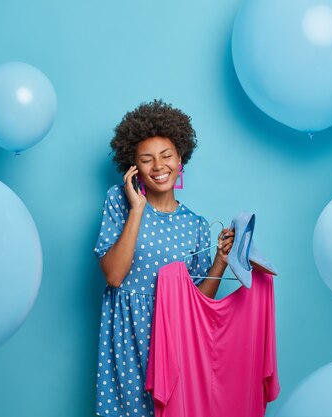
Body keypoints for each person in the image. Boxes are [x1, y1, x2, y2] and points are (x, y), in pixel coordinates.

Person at [93, 100, 235, 417]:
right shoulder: (120, 201)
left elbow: (198, 305)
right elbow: (114, 276)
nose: (159, 166)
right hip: (127, 339)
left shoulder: (196, 225)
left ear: (180, 158)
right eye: (147, 159)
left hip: (174, 342)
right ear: (134, 167)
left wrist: (220, 262)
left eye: (166, 155)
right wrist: (138, 210)